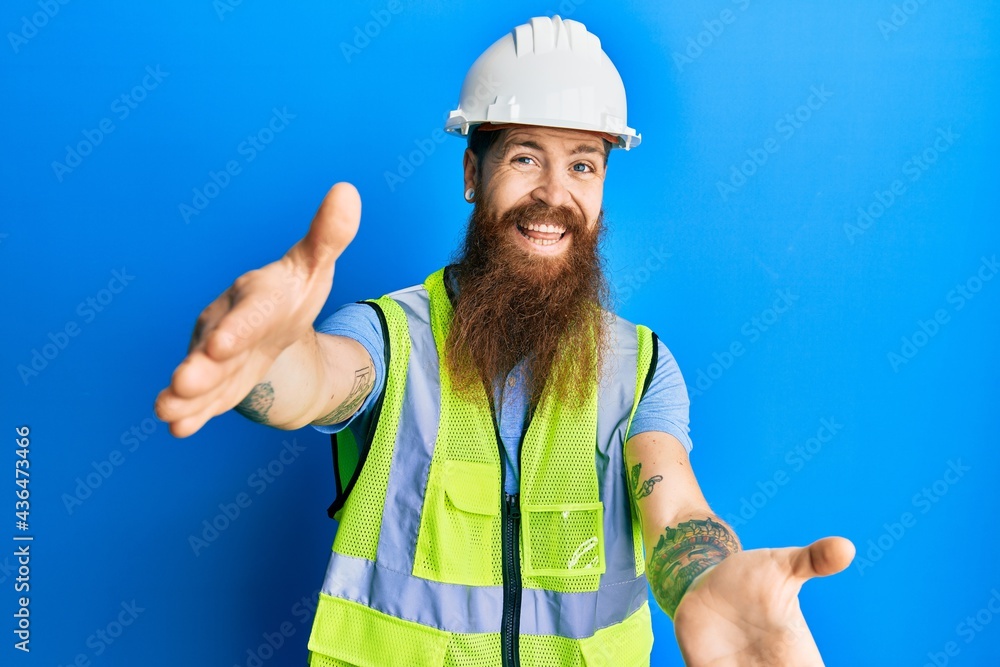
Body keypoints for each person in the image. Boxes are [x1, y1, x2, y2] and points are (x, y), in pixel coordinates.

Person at [155, 15, 854, 667]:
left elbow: (673, 507)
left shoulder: (640, 367)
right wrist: (262, 360)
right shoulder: (390, 335)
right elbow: (318, 378)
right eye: (525, 157)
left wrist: (706, 575)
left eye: (582, 164)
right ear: (472, 173)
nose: (554, 194)